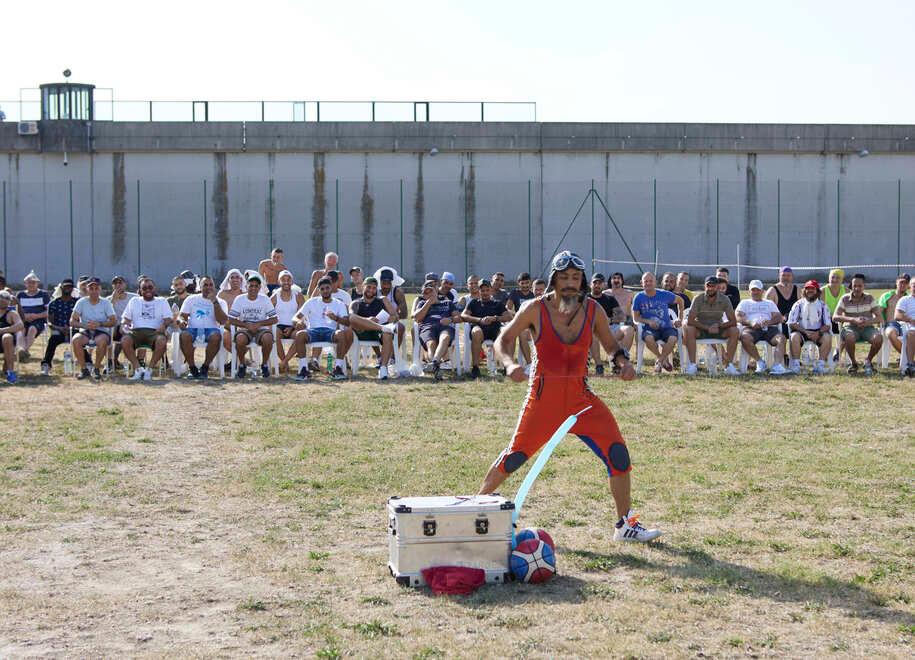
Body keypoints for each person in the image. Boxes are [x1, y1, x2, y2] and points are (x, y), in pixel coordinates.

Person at [477, 250, 660, 543]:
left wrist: (623, 364)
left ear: (583, 281)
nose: (571, 284)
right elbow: (504, 340)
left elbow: (612, 347)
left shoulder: (593, 310)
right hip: (542, 400)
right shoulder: (534, 308)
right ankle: (474, 511)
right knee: (514, 458)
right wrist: (510, 364)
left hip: (581, 400)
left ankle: (625, 524)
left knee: (618, 454)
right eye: (565, 278)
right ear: (554, 280)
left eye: (576, 278)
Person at [292, 276, 352, 381]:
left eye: (327, 288)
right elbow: (295, 317)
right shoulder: (312, 301)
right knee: (299, 335)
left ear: (332, 288)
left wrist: (336, 318)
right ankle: (303, 369)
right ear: (319, 290)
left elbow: (347, 322)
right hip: (313, 331)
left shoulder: (339, 303)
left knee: (341, 334)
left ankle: (338, 368)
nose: (325, 291)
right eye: (322, 289)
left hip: (330, 332)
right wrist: (299, 322)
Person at [683, 276, 739, 375]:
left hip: (718, 328)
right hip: (701, 328)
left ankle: (729, 365)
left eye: (713, 286)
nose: (710, 288)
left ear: (717, 287)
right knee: (689, 329)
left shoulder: (725, 299)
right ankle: (692, 365)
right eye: (708, 285)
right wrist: (708, 328)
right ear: (705, 286)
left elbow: (733, 321)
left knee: (735, 330)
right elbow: (690, 321)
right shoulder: (698, 299)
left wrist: (719, 326)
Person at [121, 278, 173, 381]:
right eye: (144, 288)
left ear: (155, 288)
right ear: (140, 290)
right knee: (125, 340)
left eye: (150, 287)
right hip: (136, 332)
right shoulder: (134, 301)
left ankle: (149, 370)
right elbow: (125, 319)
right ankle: (138, 369)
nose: (147, 290)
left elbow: (168, 319)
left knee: (162, 340)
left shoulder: (162, 301)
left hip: (155, 332)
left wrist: (163, 326)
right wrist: (124, 325)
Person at [177, 275, 228, 379]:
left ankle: (205, 367)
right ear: (200, 287)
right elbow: (182, 316)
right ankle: (192, 368)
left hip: (211, 329)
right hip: (193, 329)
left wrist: (214, 302)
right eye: (205, 285)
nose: (208, 287)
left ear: (214, 287)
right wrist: (182, 321)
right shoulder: (191, 299)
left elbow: (222, 321)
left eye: (211, 285)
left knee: (216, 337)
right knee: (184, 335)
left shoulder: (221, 301)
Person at [348, 277, 399, 379]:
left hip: (378, 333)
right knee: (353, 317)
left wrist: (391, 319)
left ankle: (383, 368)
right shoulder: (356, 303)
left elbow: (395, 316)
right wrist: (368, 320)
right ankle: (381, 328)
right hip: (362, 332)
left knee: (387, 333)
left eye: (374, 288)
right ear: (363, 287)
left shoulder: (382, 300)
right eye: (369, 287)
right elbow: (350, 317)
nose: (371, 290)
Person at [228, 274, 278, 379]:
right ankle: (242, 364)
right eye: (251, 286)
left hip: (261, 328)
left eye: (256, 286)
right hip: (245, 328)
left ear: (260, 288)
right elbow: (231, 319)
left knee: (268, 338)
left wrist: (259, 324)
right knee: (240, 339)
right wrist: (246, 325)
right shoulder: (240, 299)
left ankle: (264, 364)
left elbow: (274, 318)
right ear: (246, 287)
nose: (253, 288)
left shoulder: (264, 299)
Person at [632, 272, 683, 374]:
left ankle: (659, 361)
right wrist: (648, 321)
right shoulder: (638, 297)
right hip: (650, 329)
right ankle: (662, 359)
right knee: (648, 338)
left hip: (666, 328)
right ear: (642, 283)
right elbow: (636, 318)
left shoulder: (664, 294)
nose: (648, 283)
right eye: (646, 281)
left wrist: (679, 318)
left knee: (673, 338)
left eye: (651, 281)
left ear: (655, 283)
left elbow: (680, 301)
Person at [833, 273, 883, 375]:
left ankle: (868, 361)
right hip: (850, 327)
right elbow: (835, 317)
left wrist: (866, 321)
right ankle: (853, 363)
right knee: (849, 337)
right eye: (854, 285)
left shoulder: (870, 298)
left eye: (860, 286)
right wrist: (852, 320)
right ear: (851, 285)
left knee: (878, 338)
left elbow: (880, 318)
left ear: (864, 286)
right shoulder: (845, 298)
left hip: (867, 328)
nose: (856, 288)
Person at [461, 278, 512, 378]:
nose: (485, 292)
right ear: (478, 291)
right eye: (482, 290)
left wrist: (495, 318)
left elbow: (509, 317)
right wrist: (480, 320)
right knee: (476, 331)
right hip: (479, 329)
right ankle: (475, 367)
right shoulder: (473, 302)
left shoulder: (497, 303)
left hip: (494, 329)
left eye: (487, 290)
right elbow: (464, 315)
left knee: (505, 332)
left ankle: (507, 366)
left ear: (491, 290)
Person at [735, 280, 787, 374]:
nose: (755, 292)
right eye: (753, 290)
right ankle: (760, 362)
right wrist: (750, 323)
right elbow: (738, 316)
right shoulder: (745, 303)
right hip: (751, 328)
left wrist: (769, 322)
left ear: (762, 291)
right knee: (744, 338)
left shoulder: (769, 303)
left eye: (758, 290)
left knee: (781, 338)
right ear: (749, 291)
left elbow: (778, 317)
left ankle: (777, 366)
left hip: (769, 328)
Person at [413, 279, 461, 380]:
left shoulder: (447, 303)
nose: (430, 292)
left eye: (433, 288)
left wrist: (450, 319)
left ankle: (434, 363)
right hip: (427, 327)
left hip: (444, 326)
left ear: (437, 290)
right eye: (428, 290)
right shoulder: (422, 303)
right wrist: (429, 303)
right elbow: (417, 318)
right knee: (431, 344)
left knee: (445, 337)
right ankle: (436, 366)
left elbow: (459, 318)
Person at [70, 277, 117, 381]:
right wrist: (86, 326)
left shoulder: (106, 303)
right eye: (91, 288)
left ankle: (96, 369)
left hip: (101, 331)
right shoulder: (81, 302)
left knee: (102, 341)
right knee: (75, 340)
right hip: (85, 331)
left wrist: (100, 324)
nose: (94, 291)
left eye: (96, 288)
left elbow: (113, 321)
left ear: (100, 289)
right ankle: (84, 369)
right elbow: (72, 321)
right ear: (87, 289)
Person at [588, 273, 634, 375]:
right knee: (593, 334)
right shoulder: (585, 300)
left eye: (600, 283)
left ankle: (619, 361)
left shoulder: (610, 299)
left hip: (609, 329)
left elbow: (621, 317)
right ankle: (599, 366)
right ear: (590, 285)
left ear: (604, 285)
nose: (597, 285)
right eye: (595, 283)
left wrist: (610, 319)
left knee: (629, 330)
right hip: (590, 330)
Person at [786, 280, 832, 375]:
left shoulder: (823, 306)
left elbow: (827, 325)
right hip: (801, 331)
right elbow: (791, 323)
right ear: (804, 291)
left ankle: (820, 366)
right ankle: (796, 366)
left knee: (827, 337)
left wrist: (818, 333)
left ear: (817, 291)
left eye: (812, 289)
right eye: (807, 289)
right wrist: (805, 331)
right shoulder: (798, 304)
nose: (809, 291)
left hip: (818, 332)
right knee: (794, 336)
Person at [269, 270, 306, 374]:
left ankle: (284, 362)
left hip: (294, 326)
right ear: (279, 282)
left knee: (300, 335)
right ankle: (285, 363)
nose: (286, 282)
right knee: (275, 333)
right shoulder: (274, 297)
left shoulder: (298, 295)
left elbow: (303, 314)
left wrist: (292, 327)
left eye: (288, 279)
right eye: (283, 280)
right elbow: (268, 314)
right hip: (279, 327)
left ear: (292, 281)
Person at [41, 278, 79, 375]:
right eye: (65, 286)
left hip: (74, 330)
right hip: (58, 331)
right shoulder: (54, 303)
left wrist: (71, 328)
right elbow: (50, 322)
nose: (68, 288)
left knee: (80, 339)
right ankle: (46, 365)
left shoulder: (77, 303)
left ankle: (88, 364)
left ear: (73, 288)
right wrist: (60, 328)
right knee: (52, 341)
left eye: (70, 287)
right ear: (61, 288)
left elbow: (80, 319)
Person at [16, 270, 50, 361]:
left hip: (39, 320)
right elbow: (16, 310)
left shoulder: (43, 294)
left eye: (33, 283)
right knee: (20, 329)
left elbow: (49, 311)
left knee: (32, 329)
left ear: (37, 283)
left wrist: (36, 316)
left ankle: (23, 351)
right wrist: (24, 316)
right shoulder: (20, 294)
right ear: (25, 284)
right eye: (29, 282)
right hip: (23, 319)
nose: (31, 284)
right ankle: (23, 351)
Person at [107, 275, 138, 369]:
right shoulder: (108, 300)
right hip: (114, 327)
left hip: (131, 325)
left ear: (125, 285)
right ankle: (111, 361)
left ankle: (114, 360)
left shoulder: (134, 297)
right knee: (110, 331)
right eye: (115, 283)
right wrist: (113, 300)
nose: (118, 285)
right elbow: (106, 316)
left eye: (120, 283)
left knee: (124, 330)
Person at [506, 272, 536, 365]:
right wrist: (516, 315)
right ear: (518, 283)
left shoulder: (533, 294)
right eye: (522, 283)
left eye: (527, 283)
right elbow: (507, 308)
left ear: (530, 283)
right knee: (511, 334)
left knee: (523, 333)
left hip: (531, 323)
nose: (525, 285)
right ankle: (509, 364)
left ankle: (529, 364)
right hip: (518, 320)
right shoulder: (515, 293)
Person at [879, 274, 910, 358]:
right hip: (891, 324)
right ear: (896, 283)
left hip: (907, 325)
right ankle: (908, 358)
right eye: (901, 282)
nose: (903, 285)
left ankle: (907, 359)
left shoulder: (909, 298)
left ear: (908, 285)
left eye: (906, 283)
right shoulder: (887, 296)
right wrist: (881, 323)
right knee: (890, 333)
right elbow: (878, 311)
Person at [766, 266, 799, 339]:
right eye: (783, 275)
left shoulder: (798, 290)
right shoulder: (772, 291)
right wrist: (780, 318)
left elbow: (802, 308)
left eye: (788, 275)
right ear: (779, 276)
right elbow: (767, 311)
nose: (786, 278)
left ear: (792, 277)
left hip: (794, 323)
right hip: (778, 323)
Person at [0, 291, 24, 383]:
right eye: (2, 300)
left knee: (7, 337)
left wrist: (3, 330)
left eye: (6, 300)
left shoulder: (12, 313)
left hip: (7, 343)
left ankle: (10, 372)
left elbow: (20, 325)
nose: (4, 302)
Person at [893, 277, 915, 377]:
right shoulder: (905, 299)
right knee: (912, 333)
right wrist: (910, 320)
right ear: (910, 287)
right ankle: (910, 364)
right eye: (914, 285)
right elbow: (897, 316)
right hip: (911, 326)